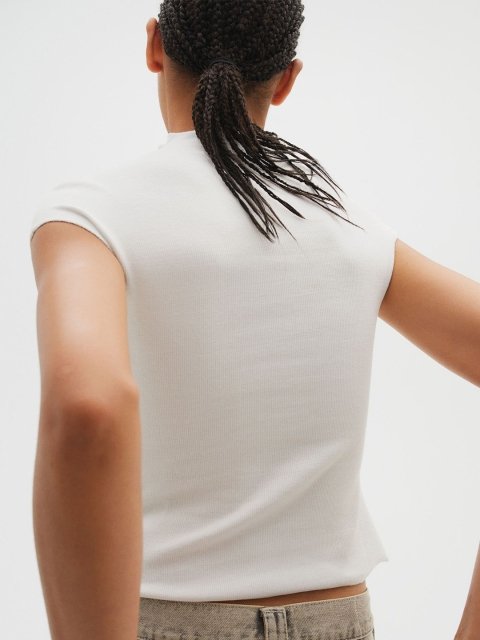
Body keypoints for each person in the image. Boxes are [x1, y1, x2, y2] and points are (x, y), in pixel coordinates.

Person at [29, 1, 480, 640]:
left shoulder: (91, 218)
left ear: (155, 46)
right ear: (287, 78)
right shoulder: (350, 228)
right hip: (339, 620)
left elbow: (86, 405)